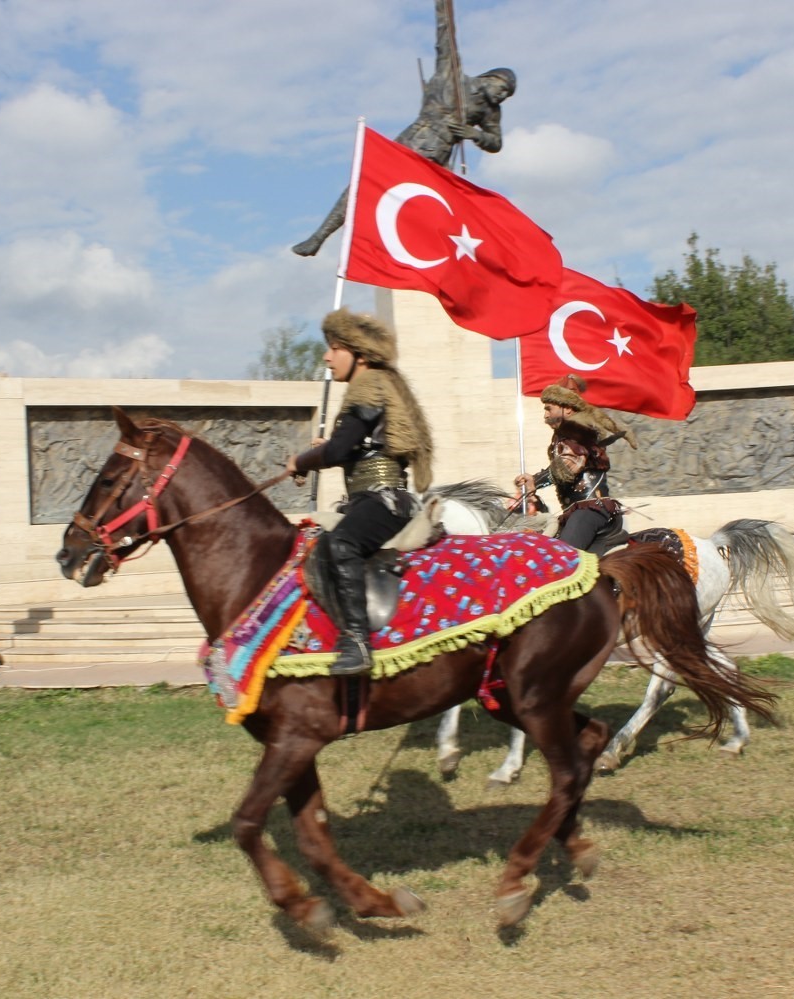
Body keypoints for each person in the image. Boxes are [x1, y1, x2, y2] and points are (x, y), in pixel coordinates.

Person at [291, 0, 516, 256]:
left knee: (440, 214)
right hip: (413, 142)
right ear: (489, 78)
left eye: (506, 95)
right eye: (502, 89)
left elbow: (495, 142)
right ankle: (318, 238)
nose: (502, 96)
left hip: (440, 161)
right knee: (365, 184)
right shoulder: (452, 74)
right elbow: (445, 32)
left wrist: (474, 134)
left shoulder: (490, 110)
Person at [286, 308, 434, 675]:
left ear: (360, 354)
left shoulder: (367, 387)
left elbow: (337, 452)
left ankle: (356, 641)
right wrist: (329, 446)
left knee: (342, 544)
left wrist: (303, 460)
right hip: (366, 497)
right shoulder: (373, 386)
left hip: (382, 498)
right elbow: (349, 445)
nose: (326, 356)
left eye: (334, 348)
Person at [513, 374, 630, 554]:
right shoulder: (563, 434)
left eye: (548, 409)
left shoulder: (579, 431)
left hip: (590, 508)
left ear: (567, 408)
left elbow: (568, 465)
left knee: (563, 558)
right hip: (573, 511)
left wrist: (535, 481)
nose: (545, 415)